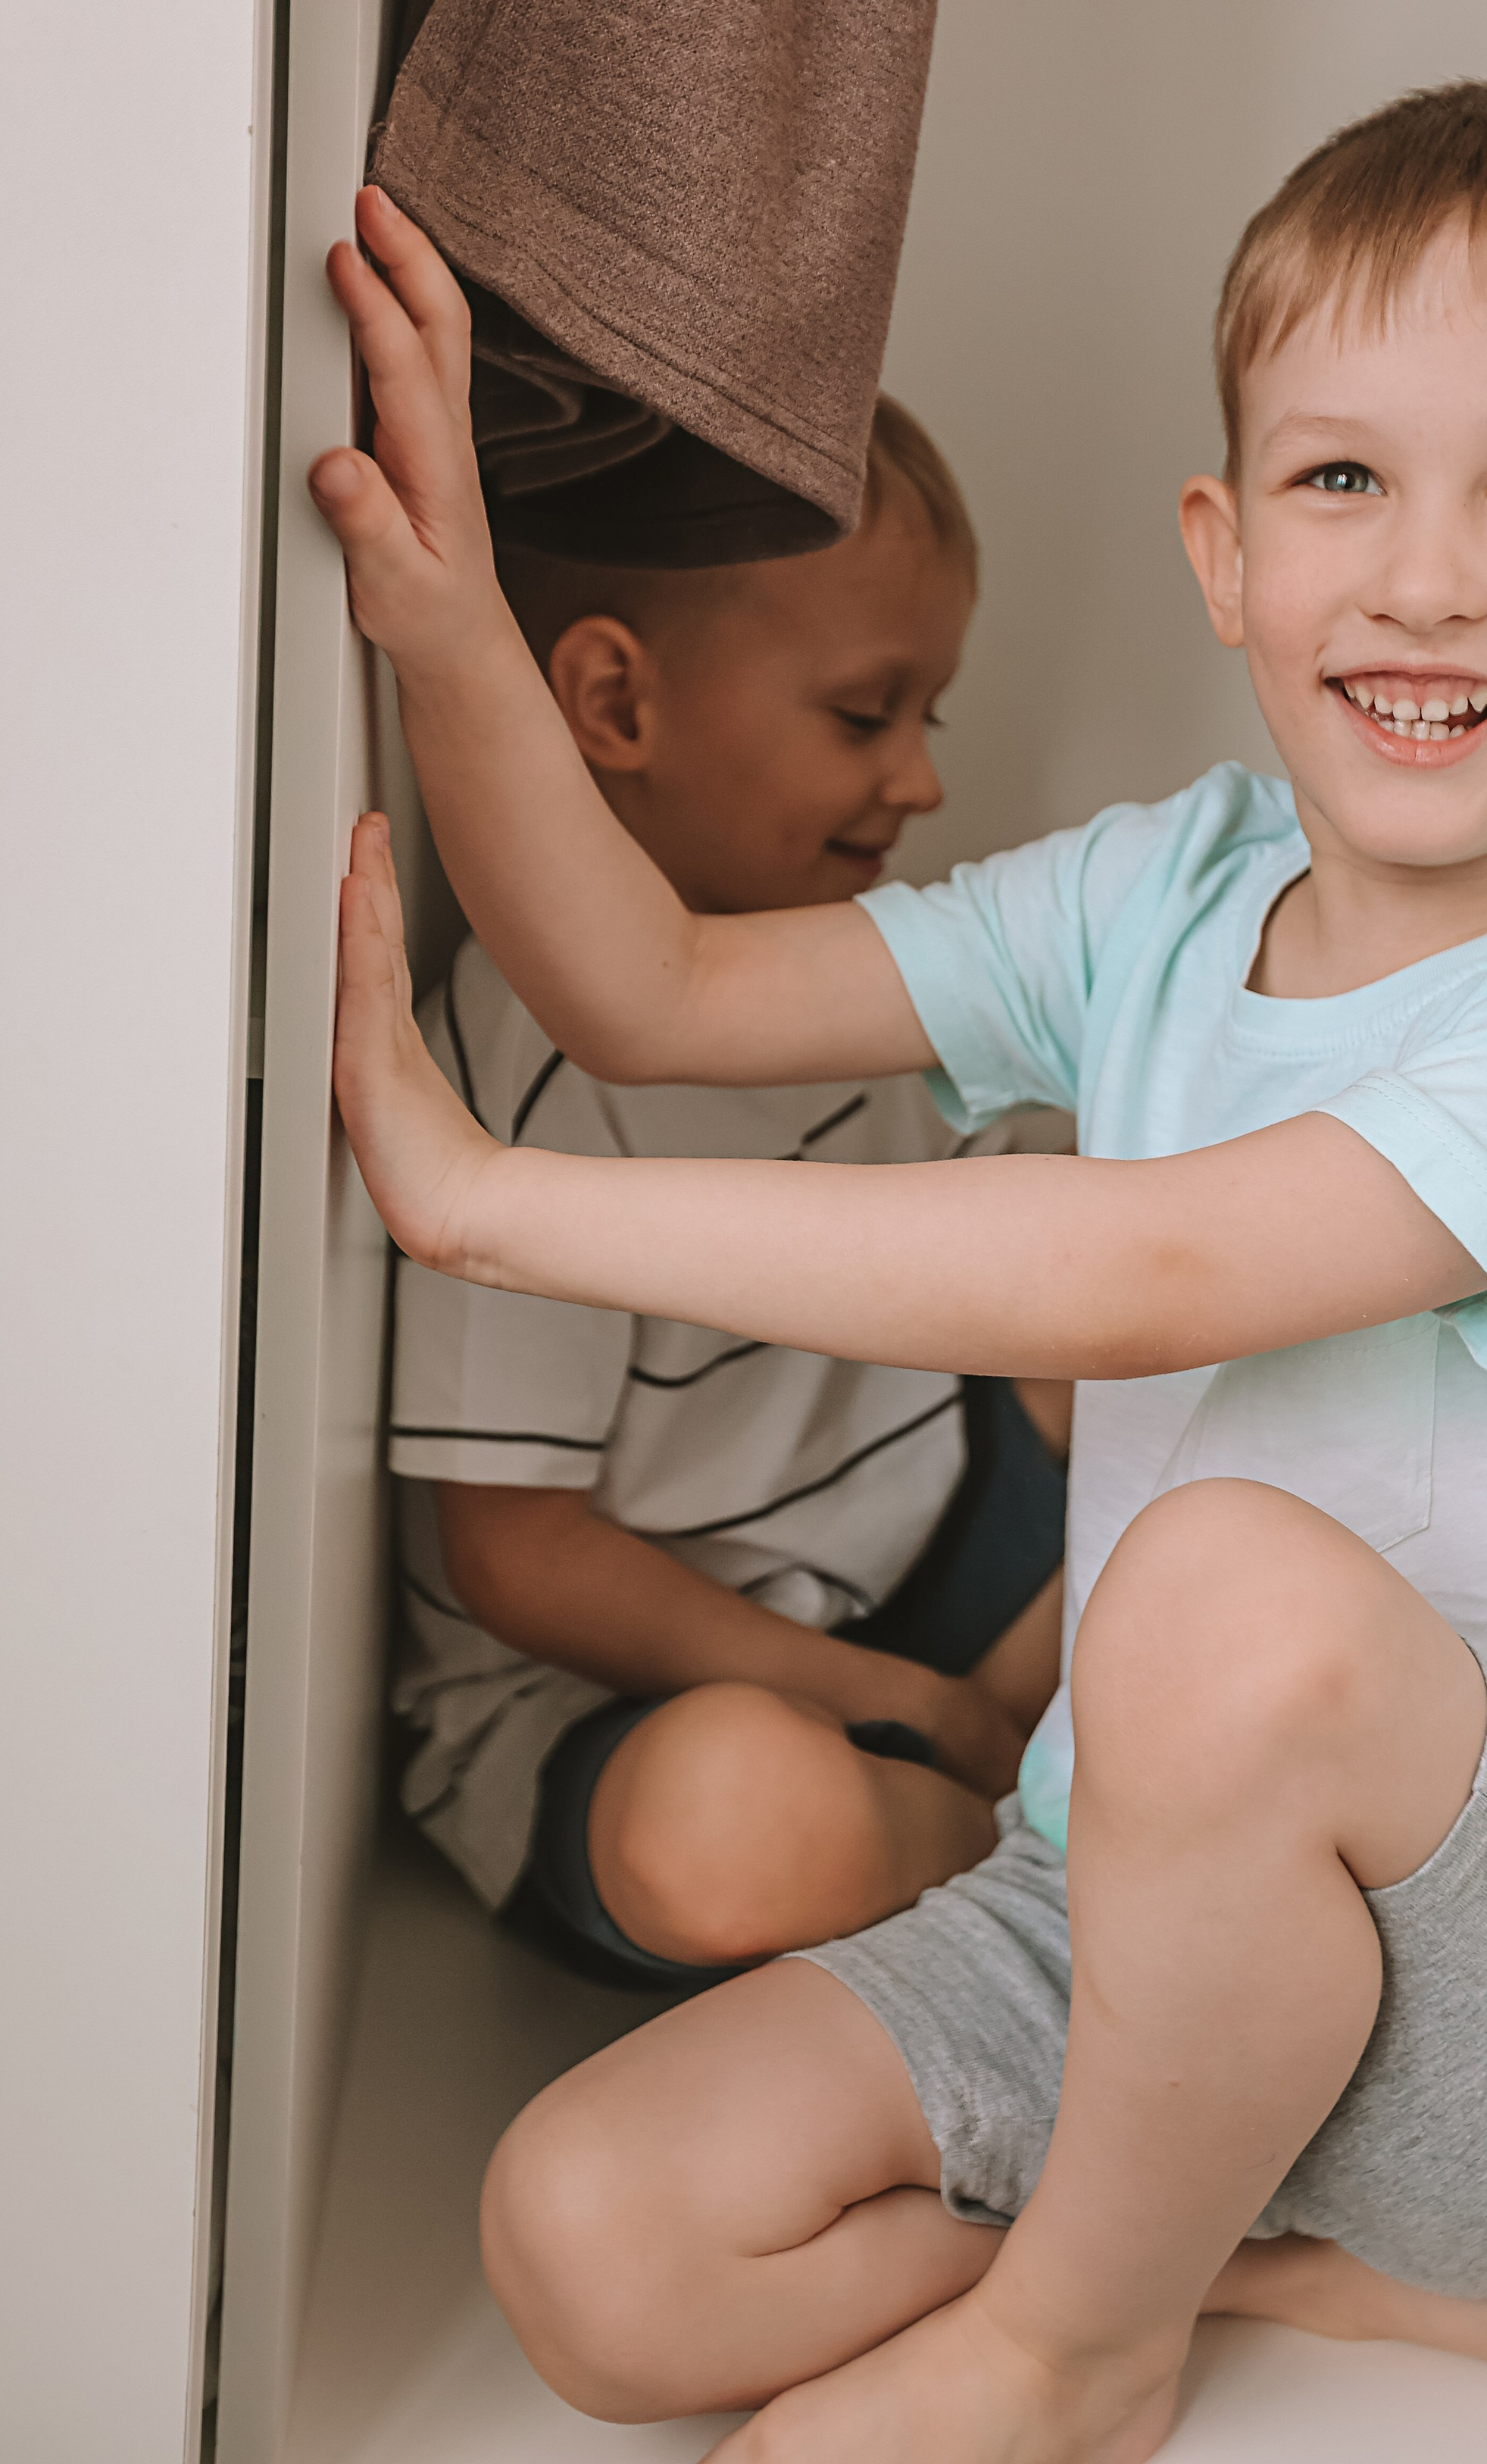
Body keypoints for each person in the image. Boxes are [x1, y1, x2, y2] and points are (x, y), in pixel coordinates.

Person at [311, 81, 1487, 2461]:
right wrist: (448, 624)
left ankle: (1071, 2356)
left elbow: (1152, 1269)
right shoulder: (1171, 890)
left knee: (1223, 1580)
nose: (1427, 576)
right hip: (1119, 1930)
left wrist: (489, 1201)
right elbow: (656, 989)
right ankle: (1246, 2269)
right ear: (1225, 551)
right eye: (1344, 479)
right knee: (589, 2237)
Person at [388, 398, 1071, 1987]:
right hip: (633, 1691)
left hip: (917, 1569)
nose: (919, 781)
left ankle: (1010, 1756)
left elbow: (1014, 1242)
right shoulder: (525, 1070)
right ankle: (1018, 1847)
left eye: (928, 718)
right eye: (864, 715)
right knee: (739, 1825)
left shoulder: (839, 963)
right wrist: (881, 1704)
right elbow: (518, 1559)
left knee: (1167, 1285)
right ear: (615, 704)